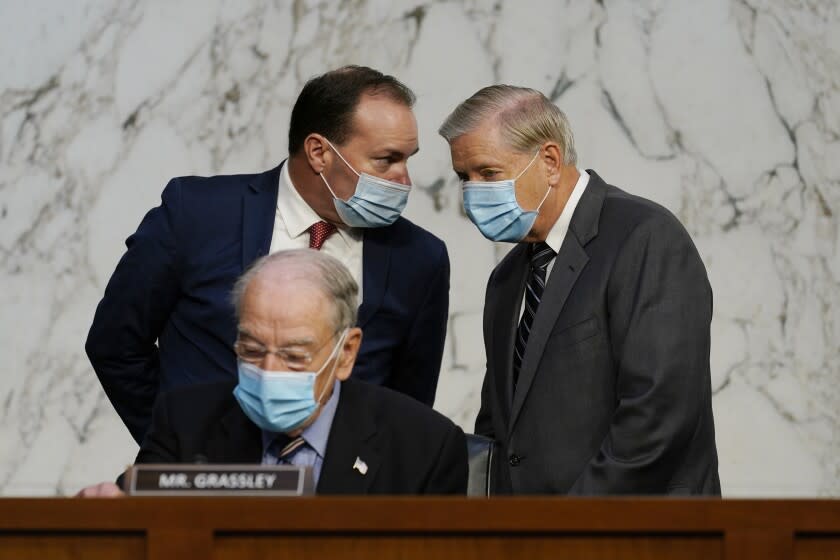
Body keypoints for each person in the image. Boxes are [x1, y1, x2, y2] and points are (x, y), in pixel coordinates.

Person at [86, 66, 450, 444]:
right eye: (386, 159)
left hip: (341, 494)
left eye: (408, 159)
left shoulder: (419, 258)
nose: (404, 180)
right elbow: (116, 345)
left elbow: (411, 404)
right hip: (202, 484)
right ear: (319, 152)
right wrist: (175, 444)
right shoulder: (196, 215)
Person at [438, 85, 720, 495]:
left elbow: (658, 414)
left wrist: (567, 526)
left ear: (550, 161)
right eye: (464, 177)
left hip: (635, 537)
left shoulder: (645, 237)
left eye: (488, 173)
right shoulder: (506, 278)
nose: (472, 192)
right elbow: (500, 426)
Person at [78, 250, 467, 497]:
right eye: (251, 350)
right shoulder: (186, 422)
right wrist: (113, 514)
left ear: (346, 353)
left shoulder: (424, 447)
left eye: (294, 356)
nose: (268, 371)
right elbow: (148, 523)